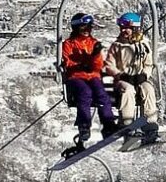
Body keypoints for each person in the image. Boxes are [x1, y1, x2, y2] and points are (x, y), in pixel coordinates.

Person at [59, 12, 120, 154]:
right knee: (85, 93)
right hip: (76, 77)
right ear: (76, 28)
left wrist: (94, 55)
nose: (87, 30)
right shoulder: (68, 44)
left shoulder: (93, 44)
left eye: (88, 27)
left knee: (101, 94)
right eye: (83, 27)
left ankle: (108, 123)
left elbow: (98, 65)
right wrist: (82, 65)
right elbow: (68, 62)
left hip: (93, 76)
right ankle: (84, 125)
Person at [105, 11, 158, 144]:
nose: (124, 31)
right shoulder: (117, 46)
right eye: (122, 28)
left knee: (148, 89)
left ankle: (150, 125)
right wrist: (120, 75)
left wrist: (144, 75)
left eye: (127, 28)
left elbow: (149, 63)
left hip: (139, 78)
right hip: (123, 80)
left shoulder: (143, 45)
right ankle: (127, 124)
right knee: (128, 90)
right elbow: (109, 65)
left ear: (135, 28)